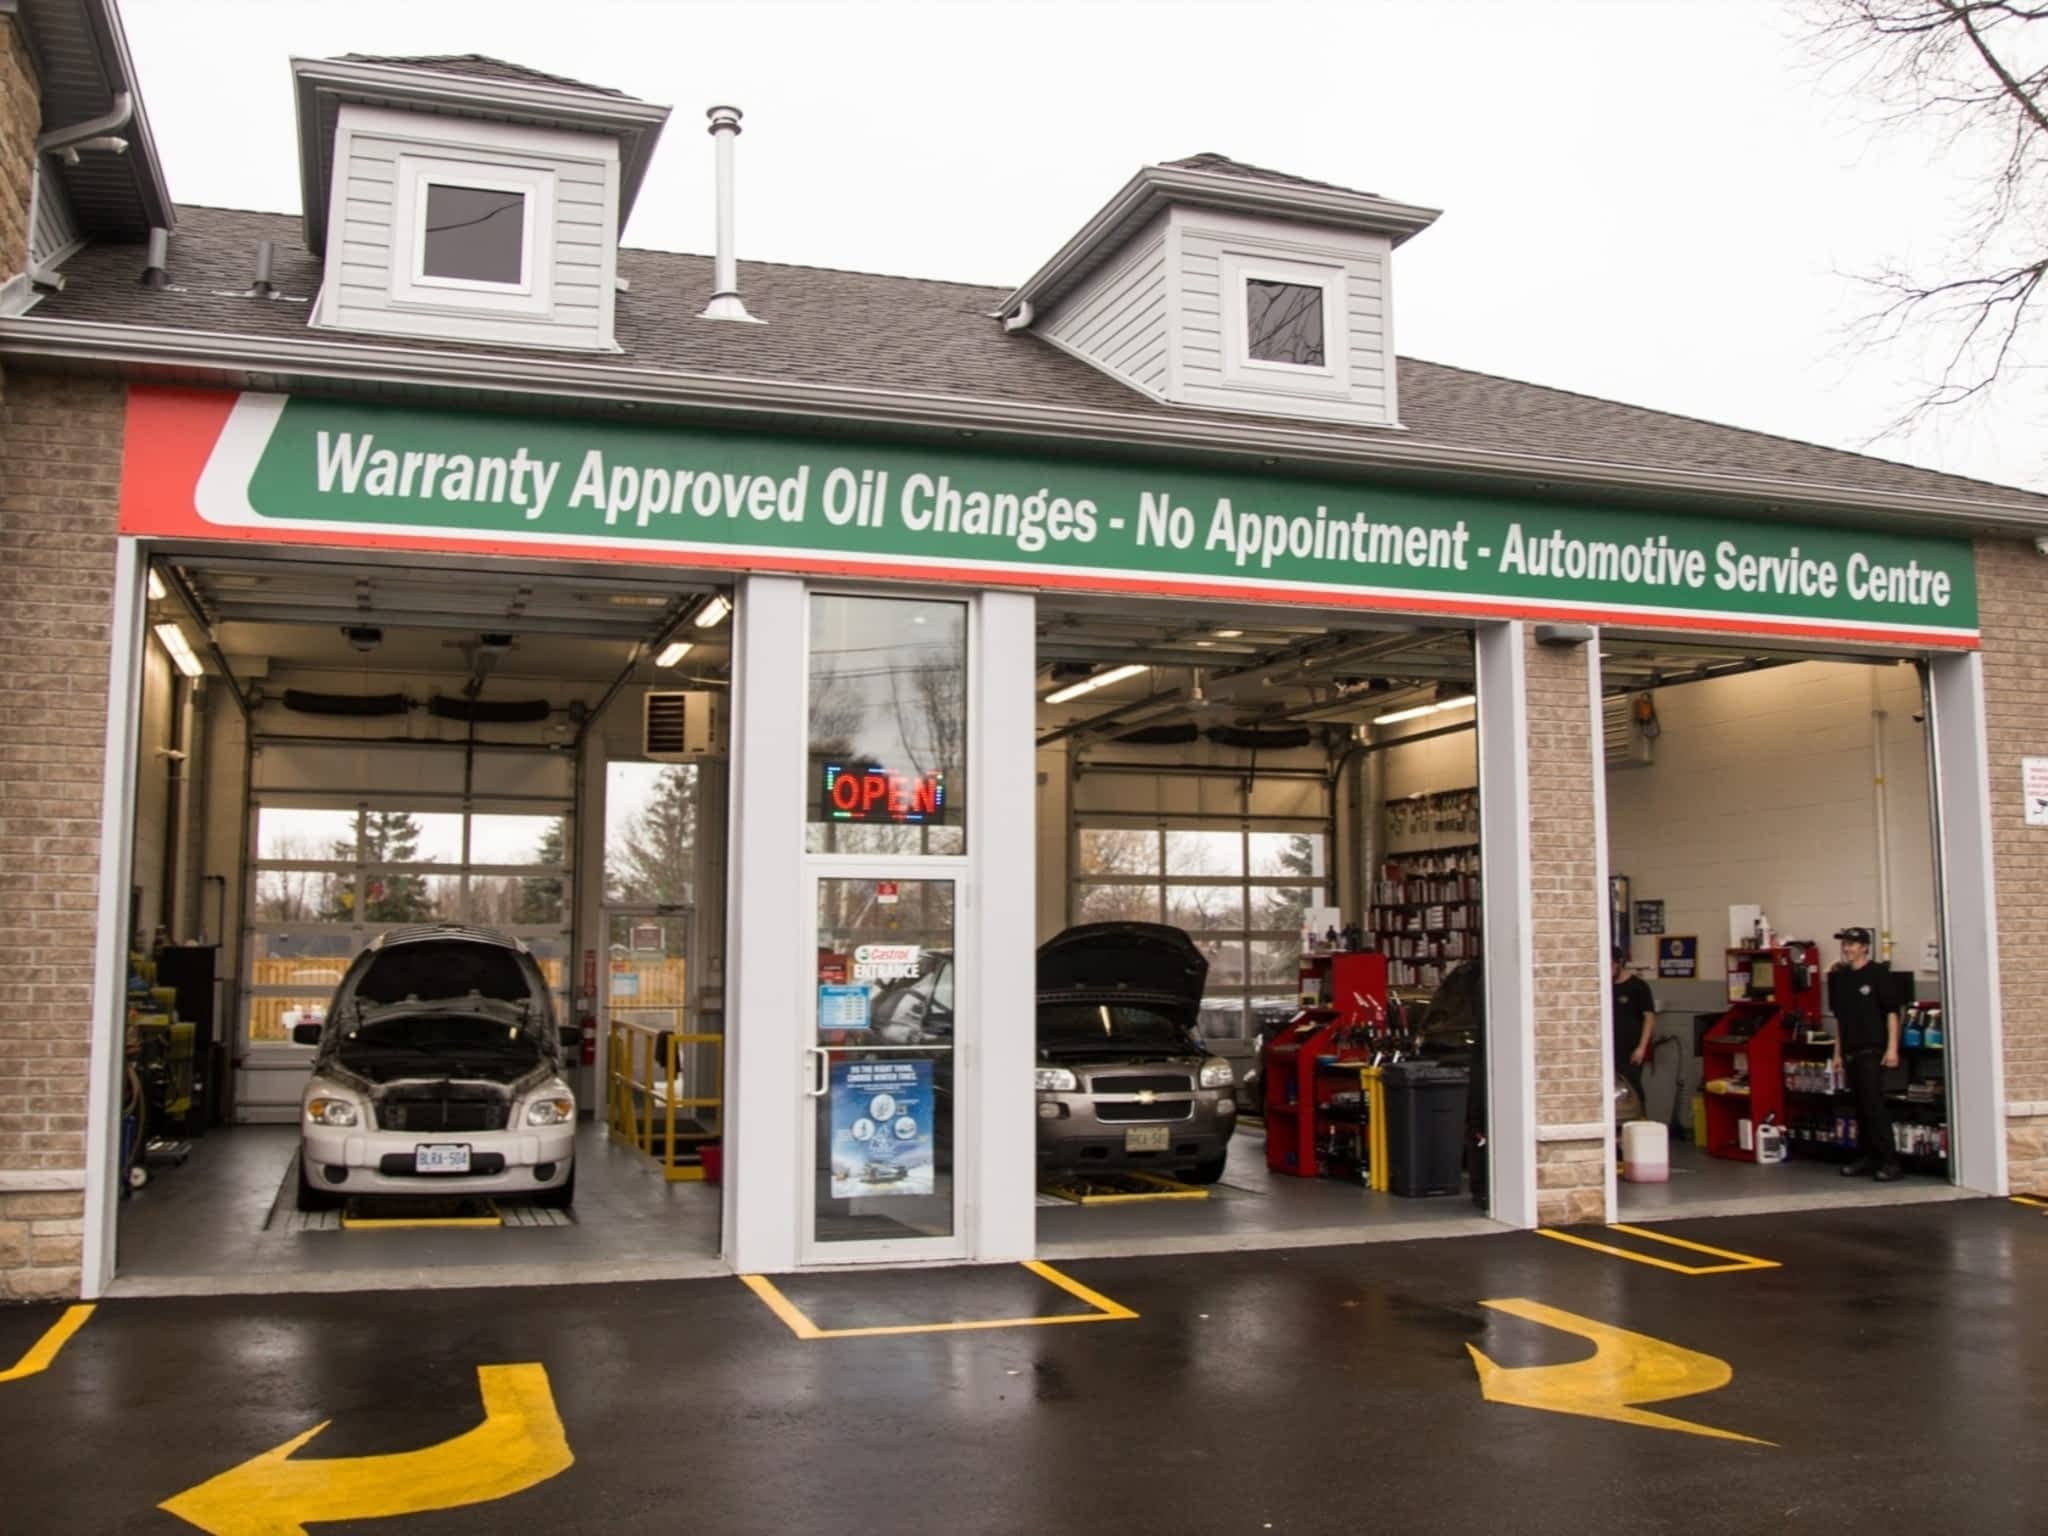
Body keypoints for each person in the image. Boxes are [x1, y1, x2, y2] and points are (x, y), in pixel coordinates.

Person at [1828, 926, 1902, 1180]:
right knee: (1858, 1106)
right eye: (1845, 944)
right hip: (1850, 1050)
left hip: (1873, 1048)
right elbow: (1839, 1019)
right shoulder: (1840, 978)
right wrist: (1837, 1053)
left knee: (1874, 1106)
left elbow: (1892, 1012)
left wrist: (1892, 1048)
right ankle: (1867, 1157)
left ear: (1864, 947)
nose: (1847, 948)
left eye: (1852, 944)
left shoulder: (1878, 974)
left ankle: (1890, 1161)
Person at [1612, 947, 1657, 1105]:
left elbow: (1649, 1017)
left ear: (1619, 963)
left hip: (1631, 1049)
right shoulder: (1606, 987)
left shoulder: (1638, 986)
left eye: (1611, 965)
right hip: (1611, 1048)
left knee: (1633, 1088)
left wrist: (1642, 1048)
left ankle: (1640, 1120)